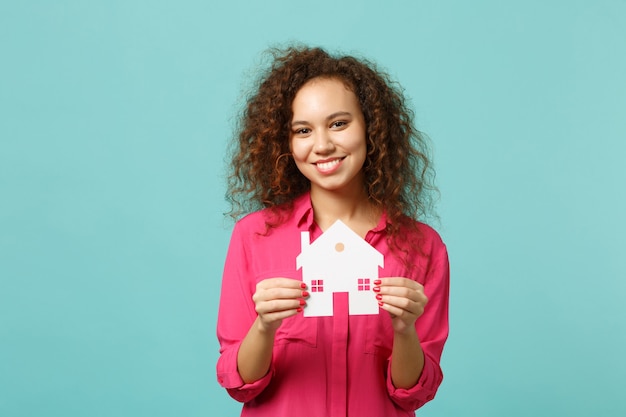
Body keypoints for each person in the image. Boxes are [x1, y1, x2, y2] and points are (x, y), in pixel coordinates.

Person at [216, 46, 449, 417]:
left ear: (371, 127)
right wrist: (264, 326)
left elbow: (411, 395)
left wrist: (405, 330)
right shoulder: (253, 237)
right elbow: (240, 384)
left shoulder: (422, 246)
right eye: (303, 130)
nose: (322, 145)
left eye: (339, 123)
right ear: (286, 143)